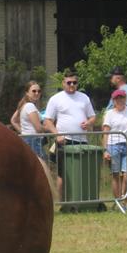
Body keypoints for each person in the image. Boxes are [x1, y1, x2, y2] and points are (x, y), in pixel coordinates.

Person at [43, 70, 97, 200]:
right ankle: (63, 202)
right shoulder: (56, 99)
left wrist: (89, 123)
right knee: (63, 174)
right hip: (64, 141)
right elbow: (47, 121)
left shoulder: (84, 97)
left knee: (82, 172)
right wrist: (57, 135)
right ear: (63, 83)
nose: (72, 85)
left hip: (82, 141)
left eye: (74, 82)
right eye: (69, 82)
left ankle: (81, 199)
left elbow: (93, 117)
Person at [11, 81, 46, 160]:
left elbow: (13, 120)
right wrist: (49, 128)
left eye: (39, 91)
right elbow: (38, 128)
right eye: (34, 91)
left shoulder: (24, 104)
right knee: (41, 165)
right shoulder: (30, 106)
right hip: (34, 141)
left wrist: (24, 132)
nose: (37, 93)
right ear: (27, 93)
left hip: (28, 140)